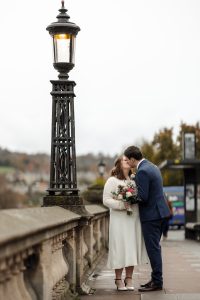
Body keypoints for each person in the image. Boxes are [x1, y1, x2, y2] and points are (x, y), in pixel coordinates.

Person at [124, 146, 170, 292]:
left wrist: (127, 198)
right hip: (161, 213)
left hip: (152, 216)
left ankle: (157, 282)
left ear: (133, 159)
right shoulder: (153, 166)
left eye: (127, 159)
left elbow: (143, 197)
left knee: (153, 249)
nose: (127, 162)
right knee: (155, 248)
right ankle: (155, 279)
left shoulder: (142, 171)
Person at [103, 156, 148, 291]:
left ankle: (129, 278)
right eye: (124, 160)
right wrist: (122, 204)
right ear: (118, 164)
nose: (127, 161)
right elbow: (106, 200)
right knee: (120, 248)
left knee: (131, 248)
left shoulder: (134, 180)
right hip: (118, 220)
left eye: (128, 159)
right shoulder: (112, 180)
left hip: (133, 219)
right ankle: (118, 279)